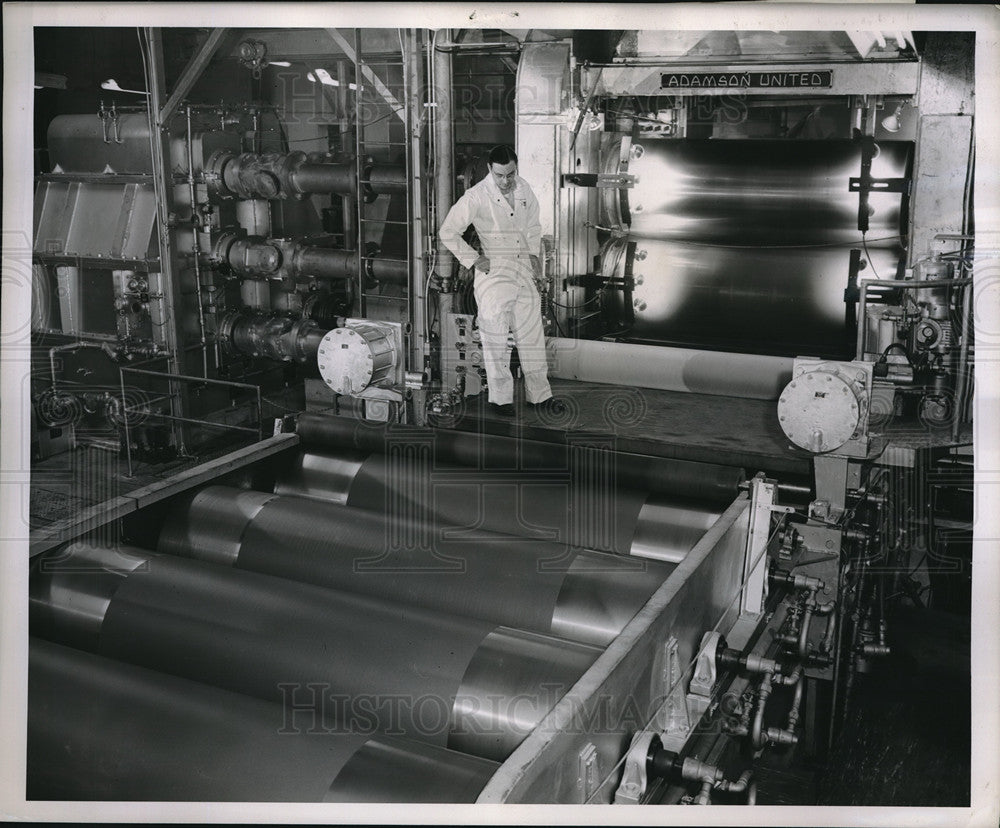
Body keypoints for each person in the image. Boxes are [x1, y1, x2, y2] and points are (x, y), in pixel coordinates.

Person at [439, 145, 560, 418]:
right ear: (489, 170)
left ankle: (540, 396)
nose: (506, 181)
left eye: (510, 174)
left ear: (516, 168)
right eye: (500, 176)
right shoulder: (476, 196)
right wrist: (473, 259)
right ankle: (501, 399)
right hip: (494, 272)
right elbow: (447, 231)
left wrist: (537, 268)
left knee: (532, 337)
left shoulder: (524, 189)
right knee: (496, 340)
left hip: (523, 270)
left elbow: (533, 229)